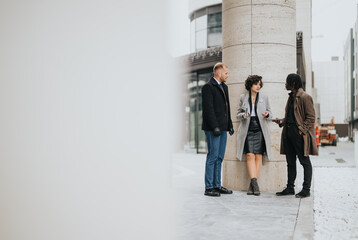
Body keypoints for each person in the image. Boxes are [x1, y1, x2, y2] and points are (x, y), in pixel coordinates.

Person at [274, 73, 318, 198]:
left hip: (298, 134)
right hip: (288, 133)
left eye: (287, 82)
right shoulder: (291, 97)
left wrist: (301, 130)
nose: (285, 84)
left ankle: (306, 189)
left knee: (304, 161)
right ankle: (290, 188)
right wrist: (282, 121)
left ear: (293, 84)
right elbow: (292, 117)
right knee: (290, 162)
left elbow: (311, 117)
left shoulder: (305, 97)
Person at [201, 62, 235, 197]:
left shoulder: (224, 87)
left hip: (223, 127)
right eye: (226, 73)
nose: (228, 75)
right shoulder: (208, 87)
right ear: (219, 73)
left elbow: (227, 108)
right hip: (212, 128)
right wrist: (215, 126)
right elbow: (208, 109)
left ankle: (217, 184)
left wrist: (230, 124)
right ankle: (209, 187)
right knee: (212, 157)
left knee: (220, 157)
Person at [236, 75, 272, 196]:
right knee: (250, 155)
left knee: (259, 156)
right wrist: (243, 115)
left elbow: (270, 113)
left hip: (260, 128)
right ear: (250, 85)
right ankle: (255, 183)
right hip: (248, 128)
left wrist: (267, 114)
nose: (258, 86)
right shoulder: (243, 97)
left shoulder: (264, 97)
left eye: (259, 84)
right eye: (256, 84)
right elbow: (238, 114)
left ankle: (252, 184)